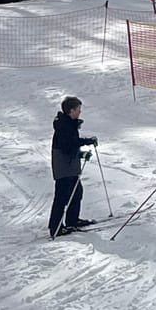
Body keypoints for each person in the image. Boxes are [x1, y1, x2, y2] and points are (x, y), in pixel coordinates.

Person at [49, 97, 95, 236]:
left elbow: (69, 147)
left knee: (76, 193)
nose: (80, 111)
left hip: (69, 166)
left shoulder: (68, 123)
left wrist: (81, 154)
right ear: (71, 110)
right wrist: (86, 142)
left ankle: (72, 220)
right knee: (62, 197)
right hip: (64, 168)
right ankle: (56, 228)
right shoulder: (65, 125)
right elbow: (68, 146)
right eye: (78, 109)